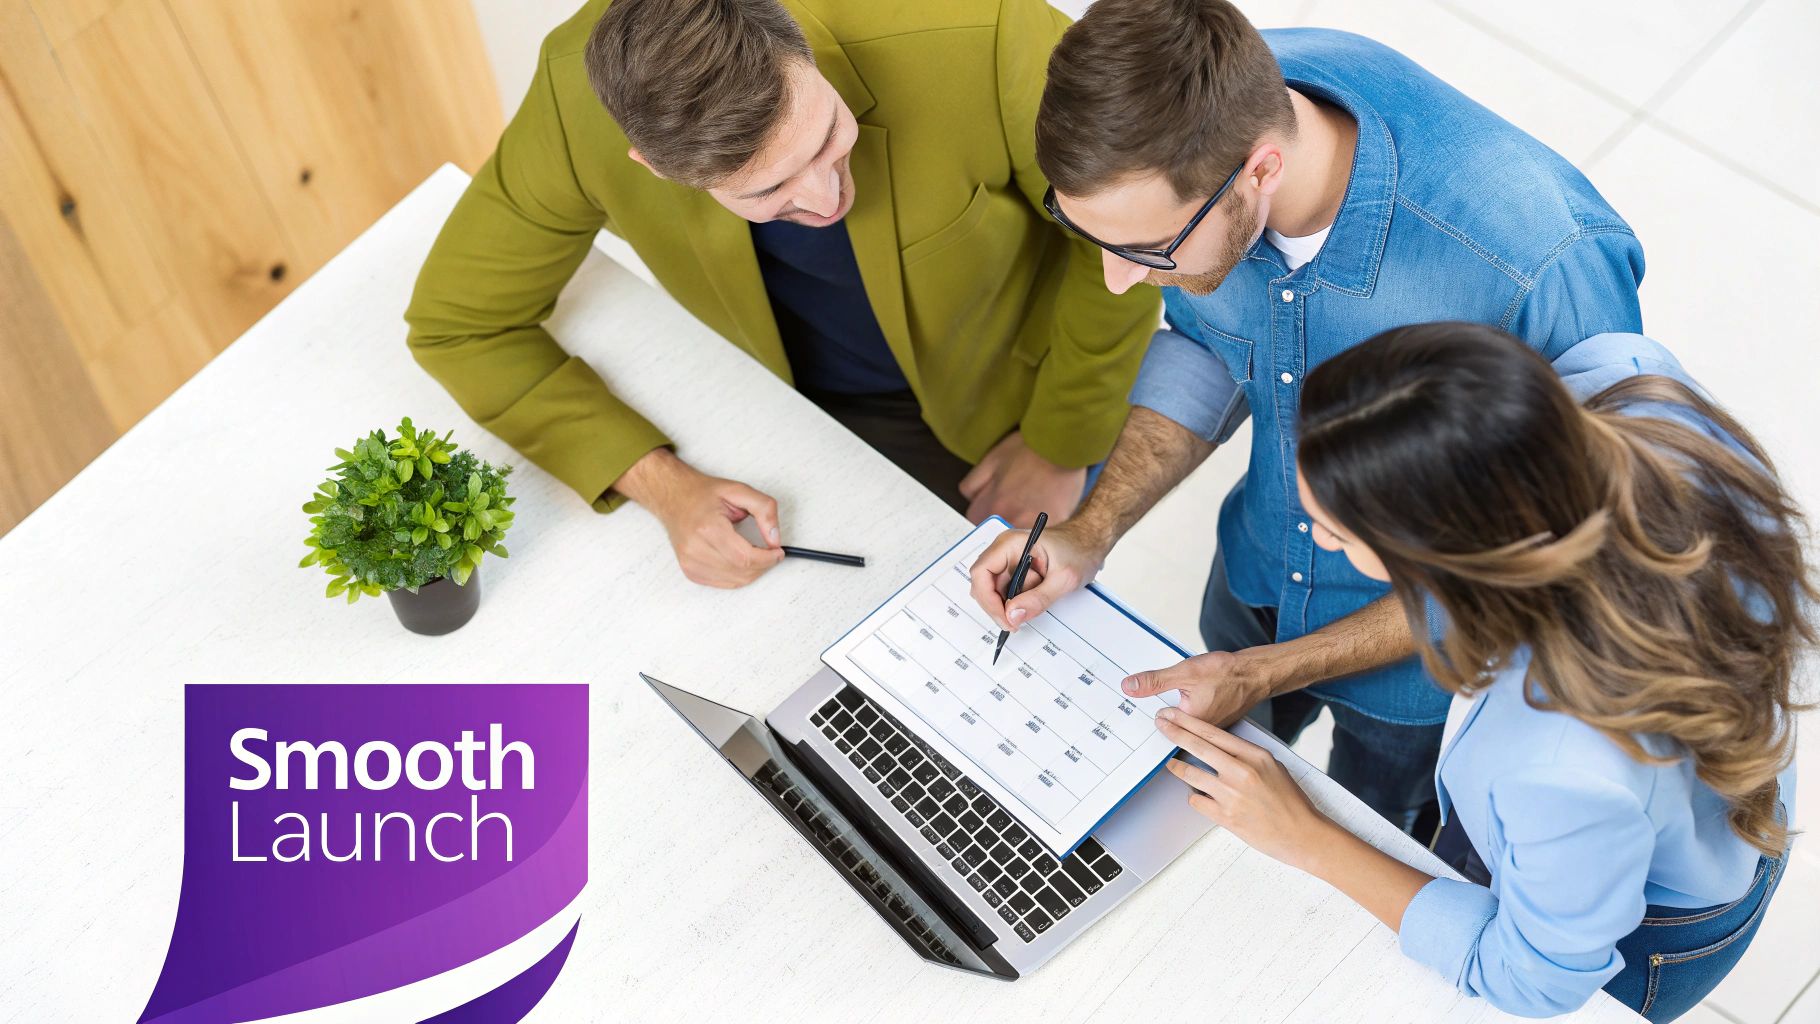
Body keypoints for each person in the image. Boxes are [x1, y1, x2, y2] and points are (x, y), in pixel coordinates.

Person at [969, 0, 1645, 831]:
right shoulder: (1215, 103)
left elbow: (1555, 554)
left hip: (1417, 682)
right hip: (1252, 579)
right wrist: (1092, 528)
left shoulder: (1540, 263)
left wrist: (1267, 672)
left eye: (1147, 250)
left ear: (1259, 170)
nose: (1118, 282)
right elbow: (1207, 344)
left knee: (1363, 838)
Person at [1153, 322, 1808, 1021]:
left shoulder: (1557, 760)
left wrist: (1306, 836)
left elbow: (1533, 978)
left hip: (1656, 926)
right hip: (1713, 807)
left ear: (1449, 557)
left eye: (1338, 533)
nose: (1316, 538)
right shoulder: (1634, 385)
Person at [406, 0, 1158, 588]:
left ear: (795, 40)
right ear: (656, 167)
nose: (827, 196)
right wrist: (661, 483)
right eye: (770, 191)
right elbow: (458, 326)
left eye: (829, 132)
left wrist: (1063, 443)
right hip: (775, 417)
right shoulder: (576, 107)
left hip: (1007, 403)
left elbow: (1127, 232)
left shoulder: (980, 27)